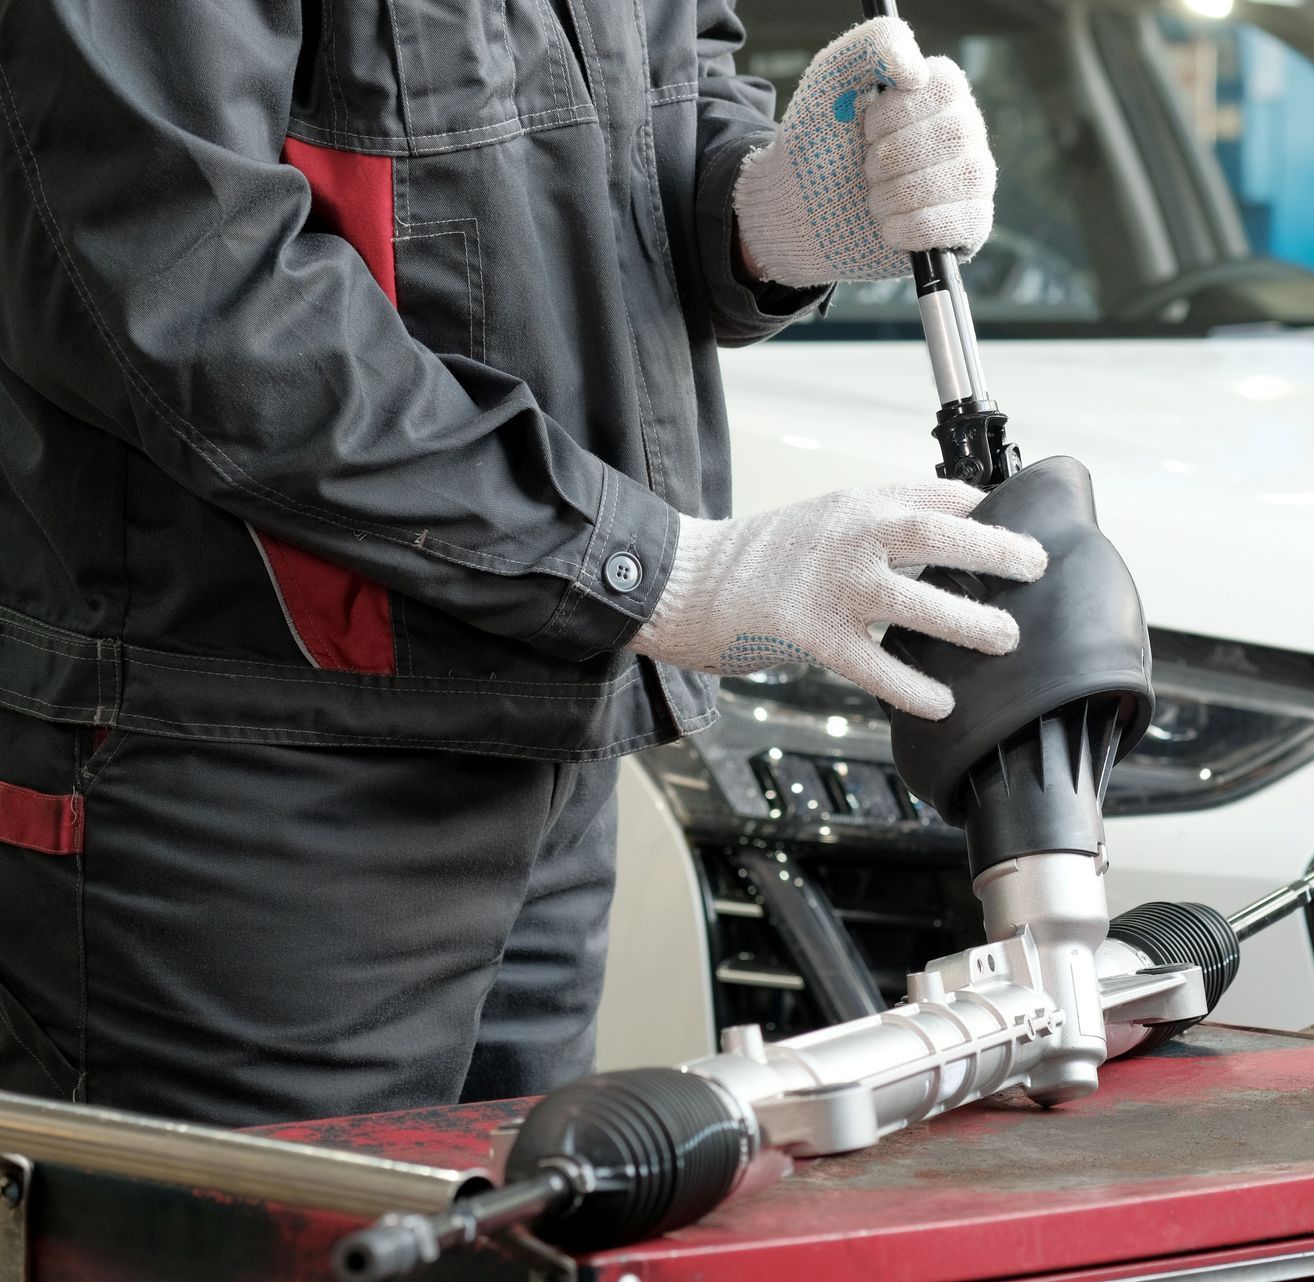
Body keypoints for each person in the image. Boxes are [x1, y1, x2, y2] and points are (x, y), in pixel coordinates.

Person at [0, 3, 1043, 1125]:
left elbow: (663, 89)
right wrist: (652, 567)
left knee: (520, 1239)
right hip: (251, 786)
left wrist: (766, 217)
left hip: (550, 741)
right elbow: (190, 280)